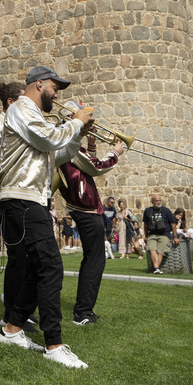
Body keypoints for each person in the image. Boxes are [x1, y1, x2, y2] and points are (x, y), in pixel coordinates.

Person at [0, 66, 93, 368]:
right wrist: (75, 123)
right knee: (51, 267)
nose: (57, 94)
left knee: (37, 268)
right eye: (55, 87)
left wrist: (77, 136)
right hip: (22, 198)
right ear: (39, 85)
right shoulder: (22, 108)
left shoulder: (33, 115)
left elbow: (54, 155)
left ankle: (12, 330)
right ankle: (54, 343)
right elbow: (50, 139)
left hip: (30, 198)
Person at [57, 131, 125, 325]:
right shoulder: (68, 141)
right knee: (94, 261)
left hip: (86, 207)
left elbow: (85, 167)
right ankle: (82, 312)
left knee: (94, 260)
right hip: (85, 208)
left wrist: (92, 145)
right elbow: (95, 167)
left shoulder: (71, 143)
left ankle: (84, 309)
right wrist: (115, 153)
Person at [0, 80, 30, 327]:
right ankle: (11, 316)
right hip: (1, 196)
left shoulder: (26, 124)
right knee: (18, 255)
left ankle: (22, 309)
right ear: (11, 102)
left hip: (23, 195)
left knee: (30, 255)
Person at [141, 194, 177, 275]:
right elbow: (145, 225)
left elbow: (172, 224)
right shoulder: (147, 211)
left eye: (159, 200)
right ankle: (157, 268)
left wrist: (175, 236)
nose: (158, 202)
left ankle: (156, 268)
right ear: (152, 202)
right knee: (151, 248)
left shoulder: (166, 210)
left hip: (164, 234)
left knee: (161, 251)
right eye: (156, 200)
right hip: (152, 234)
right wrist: (146, 236)